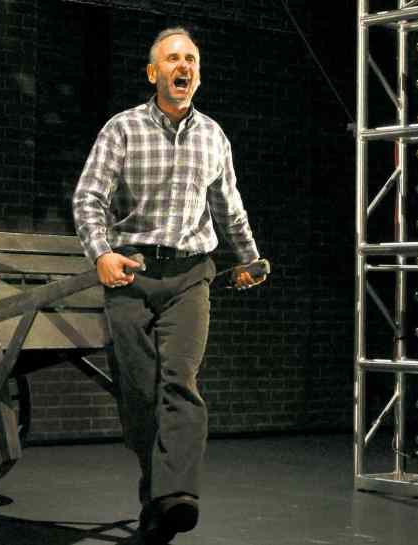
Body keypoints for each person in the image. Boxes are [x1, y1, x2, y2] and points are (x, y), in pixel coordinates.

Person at [72, 27, 265, 544]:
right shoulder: (123, 130)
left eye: (192, 60)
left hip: (189, 276)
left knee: (179, 383)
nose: (185, 66)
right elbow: (88, 199)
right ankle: (157, 495)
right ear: (154, 73)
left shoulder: (213, 136)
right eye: (174, 59)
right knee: (138, 394)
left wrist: (249, 257)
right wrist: (102, 254)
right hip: (131, 276)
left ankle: (178, 497)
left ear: (196, 74)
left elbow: (228, 205)